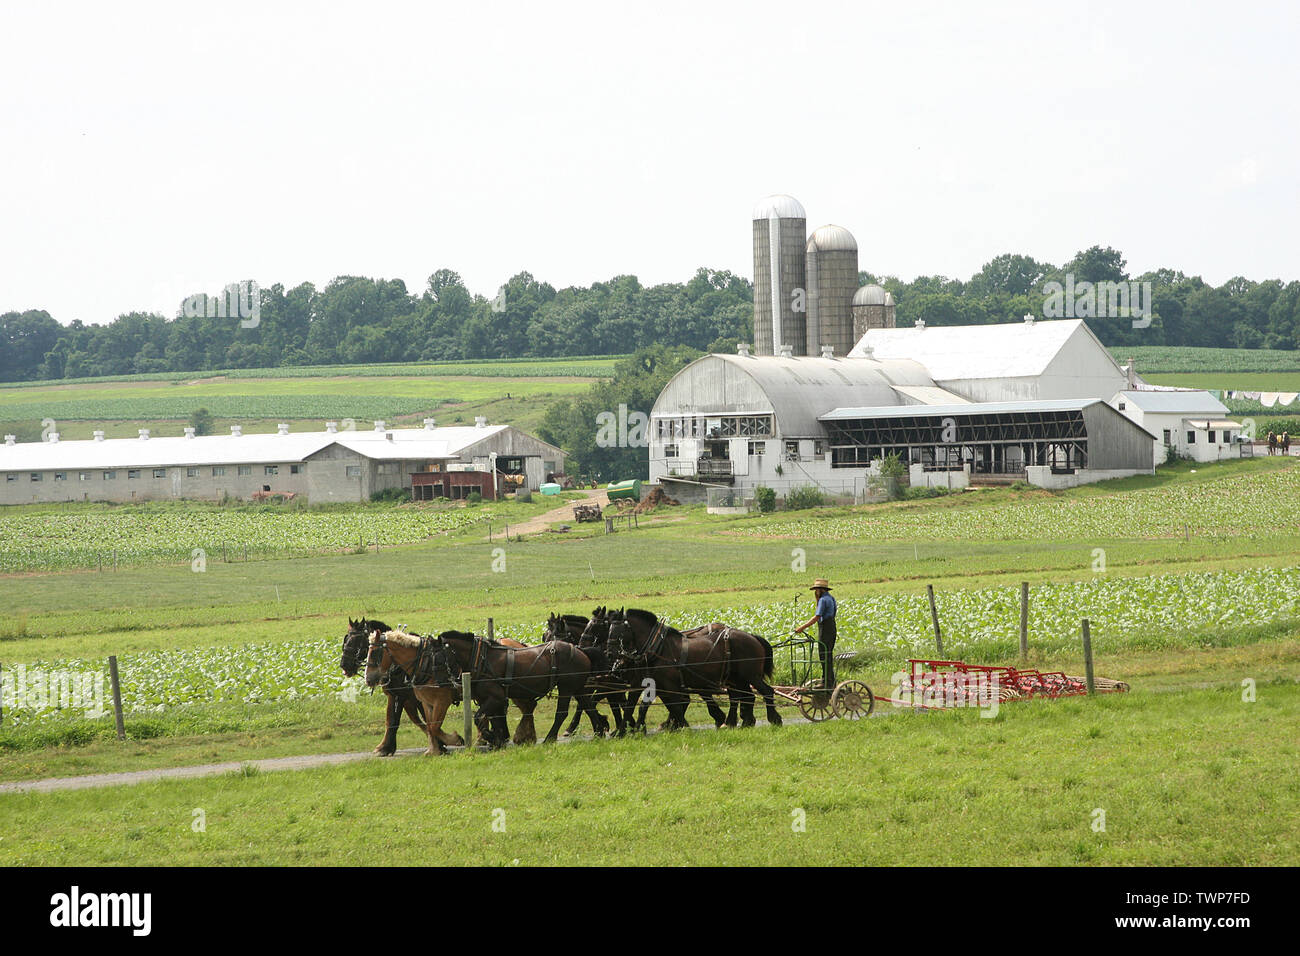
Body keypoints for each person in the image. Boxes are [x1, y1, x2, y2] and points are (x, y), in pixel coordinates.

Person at [794, 578, 838, 689]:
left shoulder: (823, 600)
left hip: (825, 628)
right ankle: (829, 681)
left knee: (824, 655)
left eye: (816, 590)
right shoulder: (831, 598)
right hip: (832, 627)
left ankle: (827, 682)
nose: (815, 592)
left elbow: (817, 617)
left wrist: (801, 628)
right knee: (828, 654)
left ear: (820, 590)